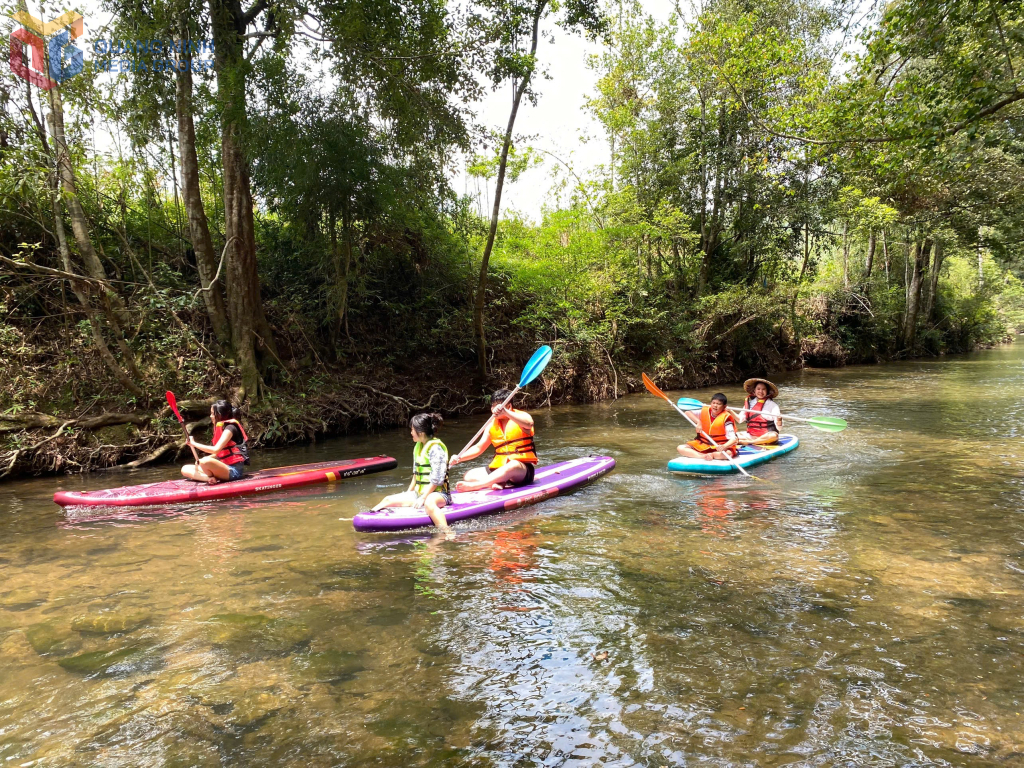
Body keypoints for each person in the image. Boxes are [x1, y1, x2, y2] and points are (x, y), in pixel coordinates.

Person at [371, 413, 452, 529]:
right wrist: (408, 492)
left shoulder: (436, 449)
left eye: (412, 430)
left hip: (439, 494)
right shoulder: (418, 447)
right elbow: (416, 475)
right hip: (419, 493)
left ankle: (447, 532)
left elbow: (437, 479)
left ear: (421, 432)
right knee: (387, 500)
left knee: (429, 503)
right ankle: (369, 516)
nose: (411, 433)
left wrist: (423, 498)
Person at [450, 389, 538, 491]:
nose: (494, 409)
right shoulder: (491, 424)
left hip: (521, 470)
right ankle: (500, 481)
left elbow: (529, 424)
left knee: (512, 465)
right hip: (499, 467)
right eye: (492, 405)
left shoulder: (522, 417)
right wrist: (459, 458)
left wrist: (505, 412)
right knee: (468, 475)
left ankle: (478, 485)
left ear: (508, 406)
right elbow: (479, 448)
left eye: (497, 406)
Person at [182, 400, 250, 484]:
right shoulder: (221, 427)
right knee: (185, 469)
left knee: (205, 462)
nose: (210, 416)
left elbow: (215, 450)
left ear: (219, 415)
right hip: (222, 466)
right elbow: (220, 453)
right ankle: (208, 479)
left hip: (233, 471)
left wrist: (194, 444)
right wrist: (204, 459)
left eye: (212, 413)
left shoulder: (230, 428)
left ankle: (209, 476)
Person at [676, 393, 739, 461]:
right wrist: (698, 422)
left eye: (718, 404)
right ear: (710, 403)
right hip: (703, 444)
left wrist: (724, 446)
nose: (715, 405)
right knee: (680, 448)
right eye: (713, 403)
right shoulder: (705, 411)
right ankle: (703, 456)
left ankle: (712, 455)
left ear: (724, 407)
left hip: (718, 446)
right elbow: (687, 412)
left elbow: (733, 439)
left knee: (728, 454)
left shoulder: (727, 418)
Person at [736, 378, 782, 446]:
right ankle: (756, 441)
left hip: (767, 436)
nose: (761, 391)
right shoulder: (750, 403)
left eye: (763, 389)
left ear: (767, 391)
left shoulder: (773, 405)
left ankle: (750, 442)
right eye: (758, 389)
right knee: (732, 436)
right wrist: (729, 410)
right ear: (754, 391)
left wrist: (779, 420)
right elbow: (739, 420)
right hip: (751, 435)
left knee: (774, 436)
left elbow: (779, 429)